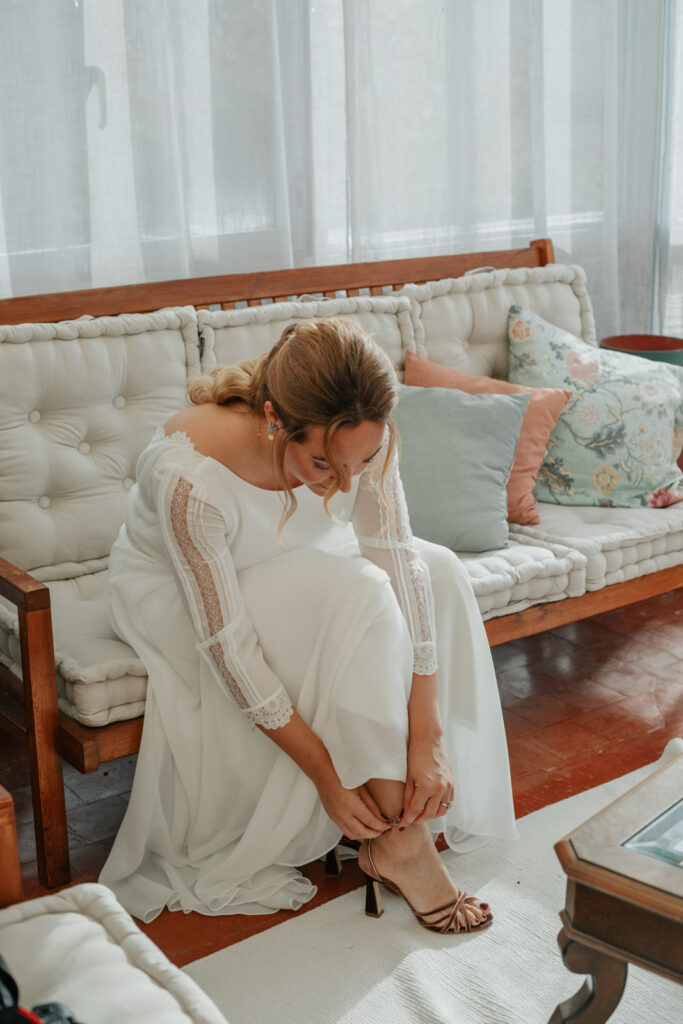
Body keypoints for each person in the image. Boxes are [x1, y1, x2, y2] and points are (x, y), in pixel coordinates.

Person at [99, 318, 517, 932]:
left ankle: (405, 794)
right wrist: (326, 779)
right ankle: (402, 840)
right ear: (275, 420)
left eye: (360, 461)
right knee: (362, 594)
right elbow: (230, 650)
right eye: (322, 463)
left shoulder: (357, 440)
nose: (344, 483)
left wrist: (427, 734)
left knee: (440, 570)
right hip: (186, 594)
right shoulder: (190, 478)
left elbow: (397, 556)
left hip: (304, 555)